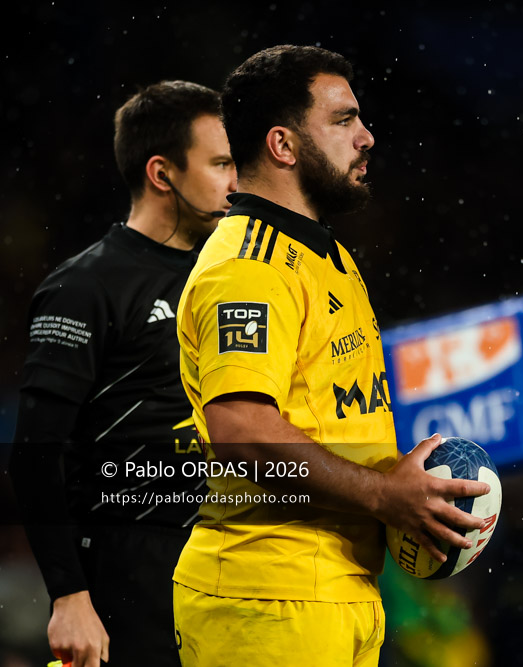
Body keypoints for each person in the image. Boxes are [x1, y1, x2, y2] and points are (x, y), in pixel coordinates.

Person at [171, 44, 489, 666]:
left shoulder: (328, 256)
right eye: (343, 120)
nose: (366, 137)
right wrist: (385, 496)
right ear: (283, 145)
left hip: (338, 593)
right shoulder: (248, 269)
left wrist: (408, 492)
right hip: (268, 599)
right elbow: (241, 432)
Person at [9, 80, 237, 667]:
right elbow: (35, 453)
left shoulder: (231, 278)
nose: (236, 181)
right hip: (127, 574)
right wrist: (68, 595)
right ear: (162, 173)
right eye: (220, 163)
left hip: (226, 560)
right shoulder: (84, 286)